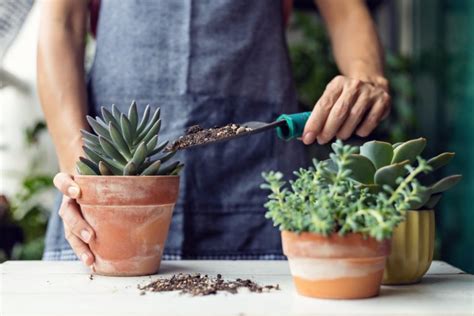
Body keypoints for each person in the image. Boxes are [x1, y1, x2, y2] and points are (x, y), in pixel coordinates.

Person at [39, 0, 391, 264]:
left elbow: (345, 12)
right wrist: (79, 163)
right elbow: (61, 21)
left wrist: (367, 76)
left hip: (258, 183)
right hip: (112, 183)